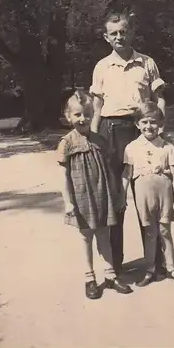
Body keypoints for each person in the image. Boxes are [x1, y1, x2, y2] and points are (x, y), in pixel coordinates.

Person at [90, 10, 166, 275]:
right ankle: (116, 263)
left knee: (148, 197)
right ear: (106, 37)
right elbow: (97, 107)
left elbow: (159, 99)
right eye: (114, 33)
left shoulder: (146, 62)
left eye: (123, 31)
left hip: (141, 130)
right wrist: (93, 139)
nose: (119, 37)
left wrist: (160, 129)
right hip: (111, 132)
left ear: (131, 32)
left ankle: (156, 262)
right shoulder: (102, 66)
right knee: (116, 199)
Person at [56, 89, 133, 299]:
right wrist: (68, 202)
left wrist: (117, 193)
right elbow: (63, 176)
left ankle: (110, 275)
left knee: (104, 236)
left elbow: (110, 170)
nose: (83, 118)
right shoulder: (67, 143)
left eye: (87, 114)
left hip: (102, 194)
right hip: (82, 198)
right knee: (86, 237)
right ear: (68, 116)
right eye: (78, 114)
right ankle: (89, 278)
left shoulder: (100, 140)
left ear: (93, 115)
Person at [122, 101, 174, 286]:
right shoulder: (131, 147)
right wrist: (122, 196)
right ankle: (150, 269)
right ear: (137, 124)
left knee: (164, 230)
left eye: (153, 122)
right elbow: (127, 175)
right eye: (144, 122)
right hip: (144, 194)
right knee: (150, 233)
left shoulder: (167, 147)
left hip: (164, 193)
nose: (148, 126)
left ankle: (171, 267)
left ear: (160, 124)